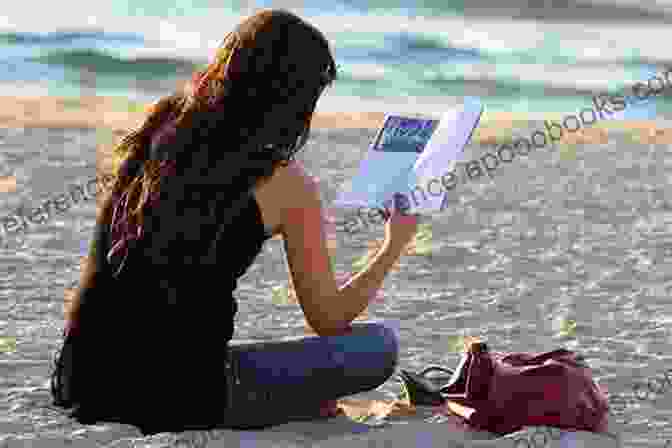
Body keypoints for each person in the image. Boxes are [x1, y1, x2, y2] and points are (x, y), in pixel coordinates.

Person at [55, 8, 419, 435]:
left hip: (81, 380)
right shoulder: (286, 183)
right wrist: (393, 245)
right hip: (181, 397)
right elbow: (329, 318)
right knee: (378, 348)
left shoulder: (161, 131)